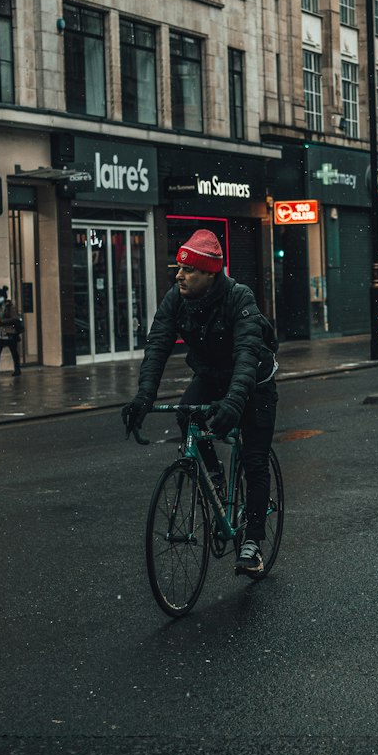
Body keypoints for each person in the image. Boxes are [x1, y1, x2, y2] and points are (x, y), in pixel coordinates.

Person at [121, 229, 278, 577]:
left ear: (210, 273)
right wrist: (143, 398)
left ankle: (252, 543)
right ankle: (216, 478)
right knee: (184, 414)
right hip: (210, 375)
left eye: (188, 269)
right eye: (178, 267)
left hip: (253, 380)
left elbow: (247, 356)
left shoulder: (240, 298)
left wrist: (234, 404)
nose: (179, 275)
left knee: (254, 459)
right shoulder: (175, 299)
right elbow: (157, 347)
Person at [0, 285, 22, 377]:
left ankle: (17, 369)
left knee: (14, 351)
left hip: (10, 332)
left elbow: (14, 318)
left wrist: (2, 321)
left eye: (1, 296)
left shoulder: (10, 306)